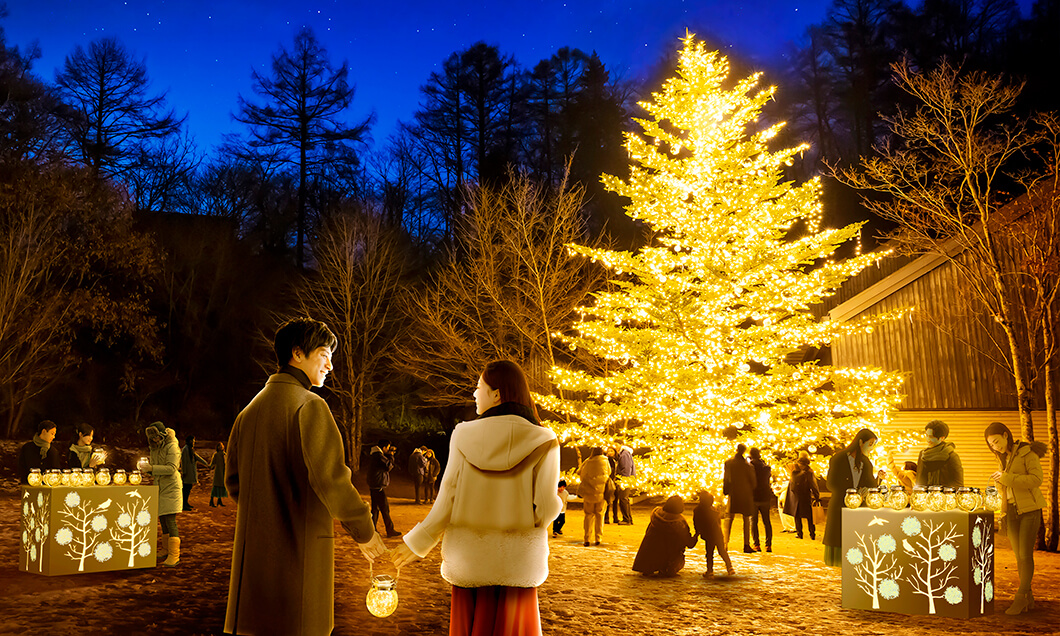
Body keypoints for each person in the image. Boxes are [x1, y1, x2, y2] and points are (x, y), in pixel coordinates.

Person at [224, 317, 386, 636]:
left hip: (253, 569)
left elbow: (234, 484)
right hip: (299, 559)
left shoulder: (247, 413)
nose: (330, 365)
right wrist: (366, 532)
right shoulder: (309, 406)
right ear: (297, 354)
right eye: (324, 353)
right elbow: (332, 481)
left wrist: (267, 510)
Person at [392, 360, 561, 636]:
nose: (474, 393)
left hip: (469, 563)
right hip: (517, 567)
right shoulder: (544, 440)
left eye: (479, 387)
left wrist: (415, 544)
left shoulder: (462, 435)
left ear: (497, 393)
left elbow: (446, 500)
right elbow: (545, 509)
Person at [985, 421, 1046, 615]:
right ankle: (1028, 598)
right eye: (992, 445)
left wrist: (1006, 478)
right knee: (1018, 557)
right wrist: (998, 485)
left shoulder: (1027, 452)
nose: (995, 446)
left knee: (1025, 556)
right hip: (1010, 511)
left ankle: (1020, 598)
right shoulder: (1002, 457)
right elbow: (1006, 483)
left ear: (1005, 435)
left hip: (1029, 510)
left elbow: (1036, 480)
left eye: (996, 441)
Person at [823, 428, 878, 567]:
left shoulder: (865, 462)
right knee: (838, 535)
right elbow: (831, 483)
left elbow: (871, 483)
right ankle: (838, 561)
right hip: (840, 504)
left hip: (859, 507)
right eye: (870, 444)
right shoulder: (839, 458)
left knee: (855, 536)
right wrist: (850, 492)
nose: (871, 448)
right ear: (860, 442)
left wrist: (877, 481)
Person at [141, 421, 183, 567]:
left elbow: (172, 468)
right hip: (159, 486)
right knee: (163, 519)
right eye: (152, 438)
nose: (155, 440)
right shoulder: (154, 448)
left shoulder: (172, 446)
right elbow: (155, 467)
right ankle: (165, 549)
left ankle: (174, 554)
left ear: (163, 435)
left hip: (171, 487)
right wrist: (146, 468)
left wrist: (152, 468)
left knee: (170, 520)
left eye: (157, 437)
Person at [632, 495, 697, 577]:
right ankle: (667, 567)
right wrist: (696, 534)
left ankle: (650, 567)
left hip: (649, 555)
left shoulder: (656, 515)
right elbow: (689, 543)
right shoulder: (679, 523)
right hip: (669, 556)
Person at [723, 443, 757, 553]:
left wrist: (726, 490)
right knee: (746, 518)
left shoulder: (729, 463)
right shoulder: (747, 466)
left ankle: (725, 543)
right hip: (745, 493)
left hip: (733, 492)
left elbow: (726, 478)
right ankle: (746, 544)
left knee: (729, 518)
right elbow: (753, 482)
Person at [692, 490, 734, 578]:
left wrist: (697, 532)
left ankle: (710, 570)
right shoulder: (714, 510)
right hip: (718, 533)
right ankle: (730, 567)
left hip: (709, 535)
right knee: (722, 551)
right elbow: (718, 522)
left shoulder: (698, 510)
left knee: (709, 553)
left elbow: (696, 522)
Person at [783, 452, 821, 540]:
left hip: (794, 495)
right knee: (809, 516)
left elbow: (785, 466)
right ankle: (812, 533)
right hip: (805, 494)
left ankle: (799, 533)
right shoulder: (809, 470)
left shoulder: (793, 467)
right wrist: (816, 496)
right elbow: (813, 484)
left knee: (797, 515)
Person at [577, 447, 611, 546]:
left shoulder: (588, 461)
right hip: (602, 492)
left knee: (588, 515)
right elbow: (609, 473)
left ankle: (587, 538)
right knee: (600, 515)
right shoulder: (605, 461)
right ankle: (598, 538)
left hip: (589, 493)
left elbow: (581, 474)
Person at [916, 419, 964, 488]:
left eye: (931, 437)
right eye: (926, 435)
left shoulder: (951, 456)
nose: (928, 439)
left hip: (944, 496)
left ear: (942, 438)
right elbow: (919, 481)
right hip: (925, 496)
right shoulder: (923, 454)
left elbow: (958, 484)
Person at [368, 440, 401, 537]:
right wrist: (391, 455)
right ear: (384, 447)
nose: (388, 449)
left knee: (375, 509)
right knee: (384, 509)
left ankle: (372, 530)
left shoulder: (374, 455)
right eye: (388, 447)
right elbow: (388, 466)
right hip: (378, 485)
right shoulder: (378, 455)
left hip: (374, 485)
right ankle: (390, 530)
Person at [748, 447, 773, 552]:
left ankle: (756, 544)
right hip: (765, 496)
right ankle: (768, 545)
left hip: (753, 496)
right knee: (766, 521)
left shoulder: (750, 467)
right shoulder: (766, 467)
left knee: (753, 521)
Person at [179, 435, 209, 511]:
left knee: (188, 488)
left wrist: (206, 464)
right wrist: (184, 472)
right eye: (192, 441)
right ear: (189, 441)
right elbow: (184, 462)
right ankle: (183, 504)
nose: (193, 442)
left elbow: (197, 457)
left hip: (190, 473)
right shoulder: (185, 449)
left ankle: (185, 503)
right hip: (187, 473)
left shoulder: (190, 449)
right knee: (186, 489)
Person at [614, 443, 635, 524]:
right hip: (626, 479)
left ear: (621, 445)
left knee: (623, 499)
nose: (615, 447)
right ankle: (628, 519)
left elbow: (626, 467)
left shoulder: (624, 454)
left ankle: (626, 519)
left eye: (616, 445)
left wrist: (624, 480)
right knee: (625, 499)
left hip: (624, 479)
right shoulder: (624, 453)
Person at [209, 442, 227, 507]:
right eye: (219, 446)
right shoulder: (216, 455)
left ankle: (219, 501)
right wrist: (210, 466)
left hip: (223, 472)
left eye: (221, 446)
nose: (221, 447)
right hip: (218, 473)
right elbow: (213, 462)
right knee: (216, 486)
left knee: (221, 486)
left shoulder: (224, 454)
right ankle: (211, 501)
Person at [604, 447, 618, 524]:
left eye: (611, 451)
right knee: (608, 500)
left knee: (615, 500)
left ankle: (615, 517)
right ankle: (606, 518)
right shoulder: (607, 460)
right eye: (608, 451)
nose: (610, 452)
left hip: (615, 481)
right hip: (609, 482)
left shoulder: (616, 460)